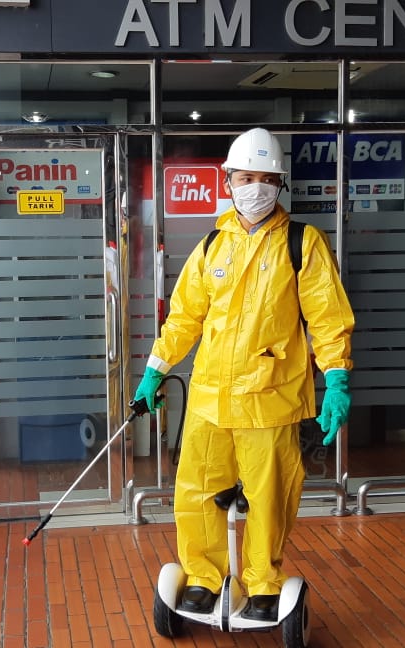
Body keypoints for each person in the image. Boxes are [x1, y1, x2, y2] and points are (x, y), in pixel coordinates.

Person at [133, 128, 355, 621]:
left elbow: (327, 318)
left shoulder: (302, 244)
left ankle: (262, 583)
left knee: (269, 497)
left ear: (280, 184)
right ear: (228, 181)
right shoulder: (213, 246)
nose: (255, 188)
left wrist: (336, 379)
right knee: (196, 493)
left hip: (272, 402)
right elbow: (185, 317)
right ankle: (205, 579)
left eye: (265, 178)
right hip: (211, 402)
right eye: (245, 177)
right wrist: (154, 370)